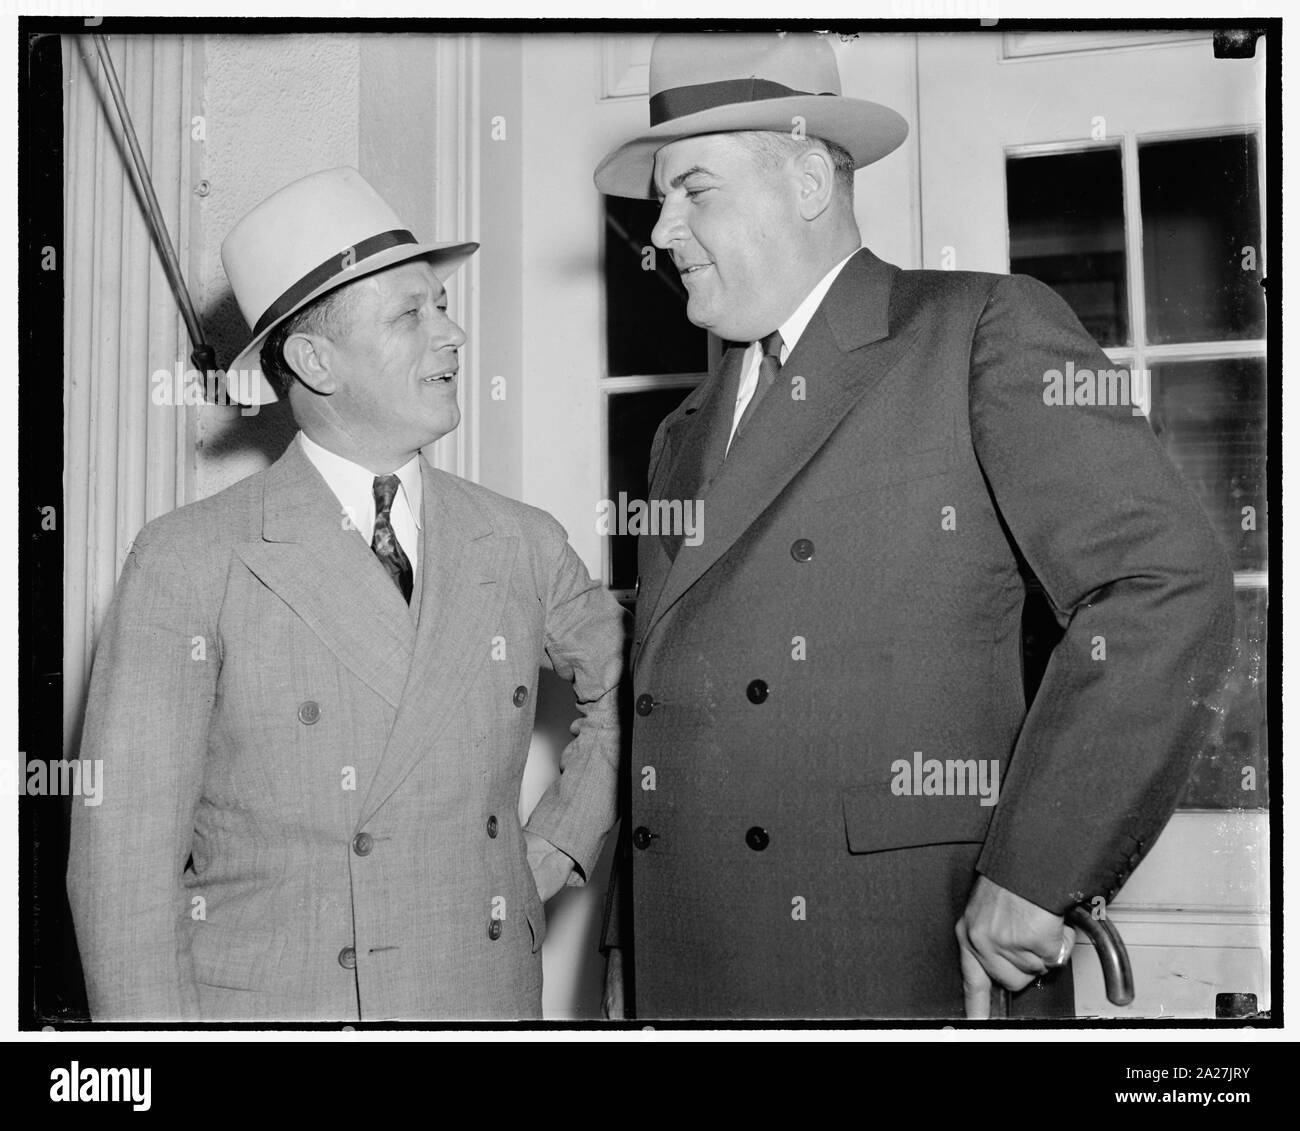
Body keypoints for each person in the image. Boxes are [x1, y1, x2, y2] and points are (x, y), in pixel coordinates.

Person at [595, 33, 1234, 1019]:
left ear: (808, 178)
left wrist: (1039, 869)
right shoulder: (681, 434)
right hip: (691, 972)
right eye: (659, 198)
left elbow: (1164, 585)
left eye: (693, 190)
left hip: (889, 962)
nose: (660, 230)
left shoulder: (976, 329)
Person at [68, 167, 626, 1022]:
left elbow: (640, 677)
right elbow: (123, 883)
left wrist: (558, 840)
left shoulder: (520, 540)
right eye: (412, 314)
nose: (455, 334)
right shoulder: (188, 561)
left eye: (441, 303)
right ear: (315, 360)